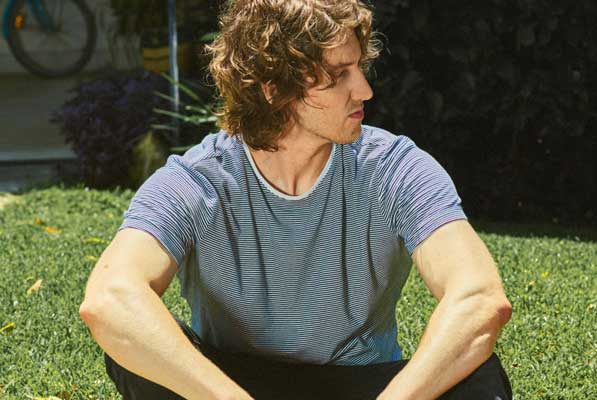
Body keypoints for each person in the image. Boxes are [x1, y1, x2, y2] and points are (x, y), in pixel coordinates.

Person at [79, 0, 513, 399]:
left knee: (476, 375)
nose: (364, 90)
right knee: (136, 353)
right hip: (234, 383)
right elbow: (110, 299)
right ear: (273, 88)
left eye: (359, 68)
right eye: (338, 75)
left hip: (364, 386)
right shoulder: (197, 181)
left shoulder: (395, 168)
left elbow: (478, 297)